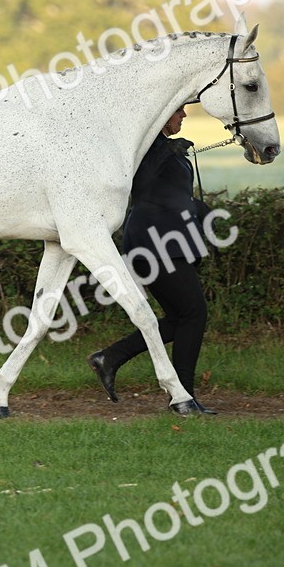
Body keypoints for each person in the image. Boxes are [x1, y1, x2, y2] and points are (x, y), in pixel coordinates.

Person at [87, 105, 218, 415]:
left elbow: (168, 194)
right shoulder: (144, 144)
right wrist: (168, 150)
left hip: (166, 239)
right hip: (153, 242)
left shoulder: (164, 147)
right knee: (193, 313)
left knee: (180, 318)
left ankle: (110, 358)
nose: (184, 116)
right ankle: (182, 397)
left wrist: (201, 211)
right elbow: (141, 182)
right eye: (179, 111)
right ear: (162, 116)